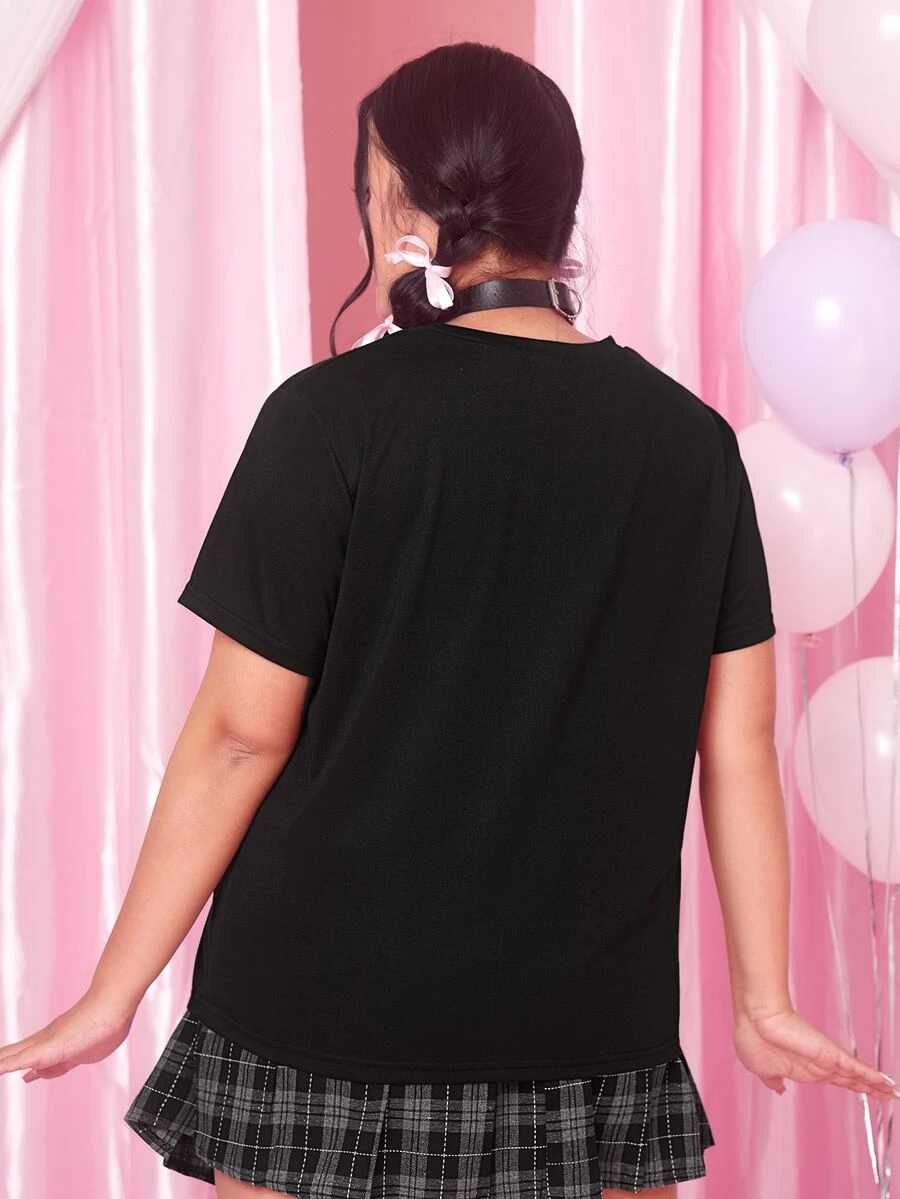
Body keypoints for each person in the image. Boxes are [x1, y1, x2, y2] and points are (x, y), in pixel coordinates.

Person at [1, 39, 896, 1199]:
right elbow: (737, 746)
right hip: (585, 1038)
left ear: (401, 203)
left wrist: (112, 994)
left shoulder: (329, 419)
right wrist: (763, 997)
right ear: (560, 205)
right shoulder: (692, 446)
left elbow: (237, 737)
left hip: (315, 1020)